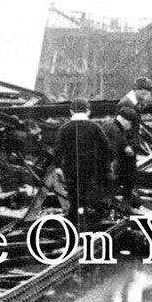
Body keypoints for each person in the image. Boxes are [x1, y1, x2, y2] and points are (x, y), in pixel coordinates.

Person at [55, 97, 110, 230]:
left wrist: (57, 167)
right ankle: (86, 220)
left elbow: (58, 149)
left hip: (70, 166)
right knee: (87, 192)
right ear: (88, 111)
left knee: (73, 193)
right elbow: (106, 147)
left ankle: (74, 221)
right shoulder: (94, 127)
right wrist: (104, 165)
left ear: (71, 112)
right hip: (90, 167)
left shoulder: (64, 128)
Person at [97, 98, 142, 213]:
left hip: (101, 165)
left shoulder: (111, 126)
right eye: (130, 123)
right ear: (124, 120)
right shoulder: (116, 130)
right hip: (105, 167)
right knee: (126, 175)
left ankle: (113, 203)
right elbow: (111, 151)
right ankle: (117, 204)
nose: (130, 126)